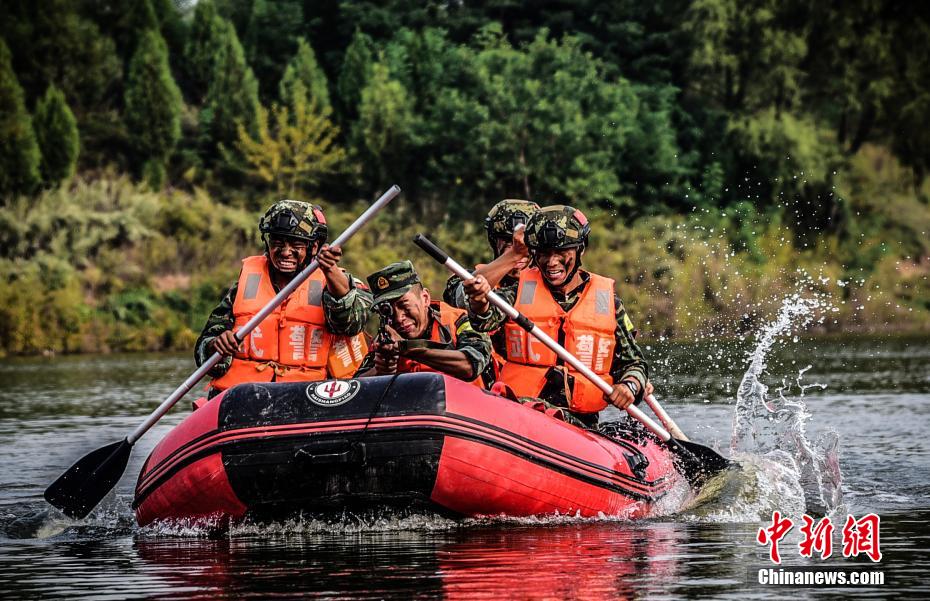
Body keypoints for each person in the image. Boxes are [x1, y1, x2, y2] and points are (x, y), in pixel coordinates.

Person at [462, 205, 649, 429]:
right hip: (519, 411)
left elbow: (634, 364)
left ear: (581, 250)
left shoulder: (607, 302)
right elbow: (484, 319)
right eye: (543, 253)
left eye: (561, 252)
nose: (551, 262)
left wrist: (629, 386)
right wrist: (479, 300)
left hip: (580, 424)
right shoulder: (520, 291)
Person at [195, 199, 371, 396]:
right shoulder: (246, 283)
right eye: (278, 243)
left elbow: (351, 324)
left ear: (314, 247)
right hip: (243, 397)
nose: (286, 252)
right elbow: (205, 347)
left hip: (306, 396)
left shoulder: (338, 283)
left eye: (296, 244)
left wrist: (329, 270)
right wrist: (215, 345)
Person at [355, 260, 492, 386]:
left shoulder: (458, 320)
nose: (398, 318)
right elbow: (355, 386)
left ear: (425, 298)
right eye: (388, 310)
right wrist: (379, 371)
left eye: (404, 305)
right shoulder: (386, 339)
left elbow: (471, 365)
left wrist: (408, 348)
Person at [442, 199, 540, 308]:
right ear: (493, 241)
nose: (518, 247)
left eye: (525, 243)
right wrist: (514, 255)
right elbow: (461, 299)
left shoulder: (553, 282)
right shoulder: (463, 279)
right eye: (508, 241)